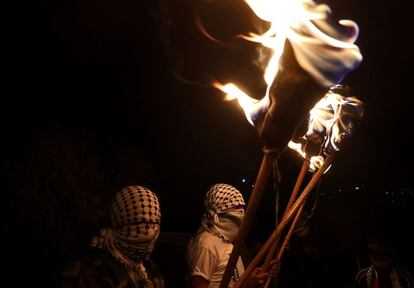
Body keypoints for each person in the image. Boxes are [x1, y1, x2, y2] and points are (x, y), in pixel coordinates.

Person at [59, 185, 165, 288]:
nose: (150, 233)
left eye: (155, 224)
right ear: (119, 222)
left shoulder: (149, 268)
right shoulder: (88, 272)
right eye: (140, 224)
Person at [186, 183, 271, 288]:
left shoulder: (227, 241)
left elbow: (231, 280)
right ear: (217, 212)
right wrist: (246, 285)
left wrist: (254, 276)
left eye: (241, 207)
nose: (241, 212)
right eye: (235, 207)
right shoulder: (207, 244)